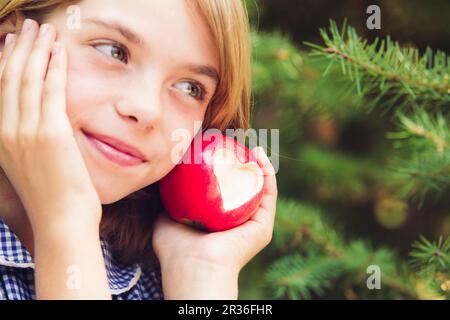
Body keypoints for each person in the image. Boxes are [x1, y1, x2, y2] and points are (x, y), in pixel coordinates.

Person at [0, 0, 277, 300]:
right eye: (114, 51)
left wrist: (202, 276)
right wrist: (65, 218)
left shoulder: (156, 280)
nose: (147, 109)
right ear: (6, 40)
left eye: (189, 88)